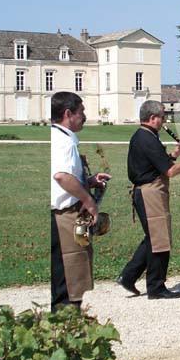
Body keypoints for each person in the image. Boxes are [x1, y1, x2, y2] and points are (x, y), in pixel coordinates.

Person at [117, 101, 180, 299]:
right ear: (153, 118)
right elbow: (169, 171)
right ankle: (156, 287)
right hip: (149, 193)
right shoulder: (148, 139)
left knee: (153, 238)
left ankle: (128, 277)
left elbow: (157, 163)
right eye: (162, 117)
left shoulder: (146, 136)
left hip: (148, 192)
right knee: (159, 239)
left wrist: (176, 153)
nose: (164, 121)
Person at [50, 91, 111, 310]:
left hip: (66, 213)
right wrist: (89, 201)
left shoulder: (62, 138)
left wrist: (88, 181)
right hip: (66, 216)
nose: (84, 116)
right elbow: (62, 176)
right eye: (81, 112)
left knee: (68, 275)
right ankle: (65, 327)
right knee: (70, 275)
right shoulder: (64, 142)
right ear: (68, 114)